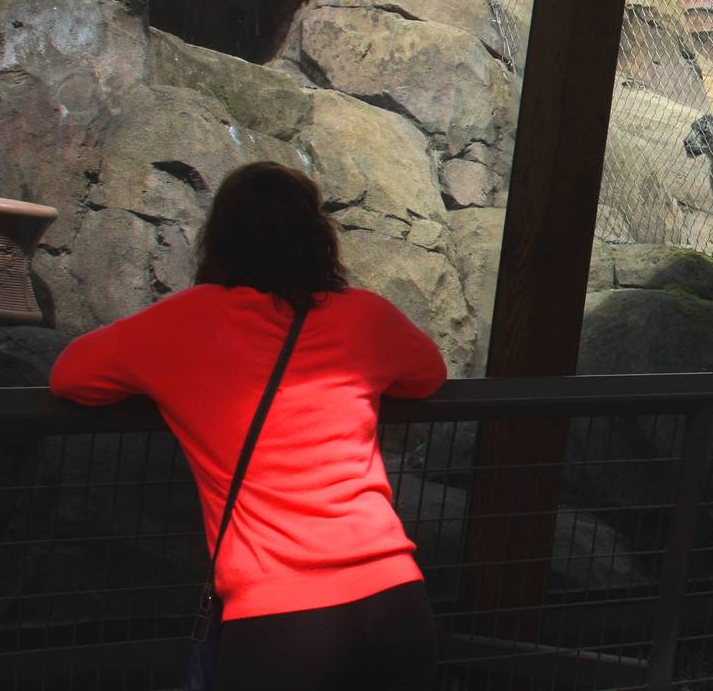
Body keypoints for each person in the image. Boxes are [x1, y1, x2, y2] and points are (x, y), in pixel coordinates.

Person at [50, 161, 448, 691]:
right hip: (396, 602)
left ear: (220, 240)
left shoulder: (183, 322)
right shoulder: (366, 316)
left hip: (281, 620)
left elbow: (69, 375)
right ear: (318, 236)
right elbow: (428, 375)